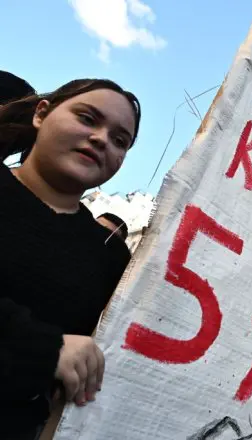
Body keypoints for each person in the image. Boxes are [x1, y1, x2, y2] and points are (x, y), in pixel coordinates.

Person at [0, 78, 141, 438]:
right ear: (41, 115)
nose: (101, 139)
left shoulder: (111, 256)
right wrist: (44, 348)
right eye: (87, 118)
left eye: (119, 140)